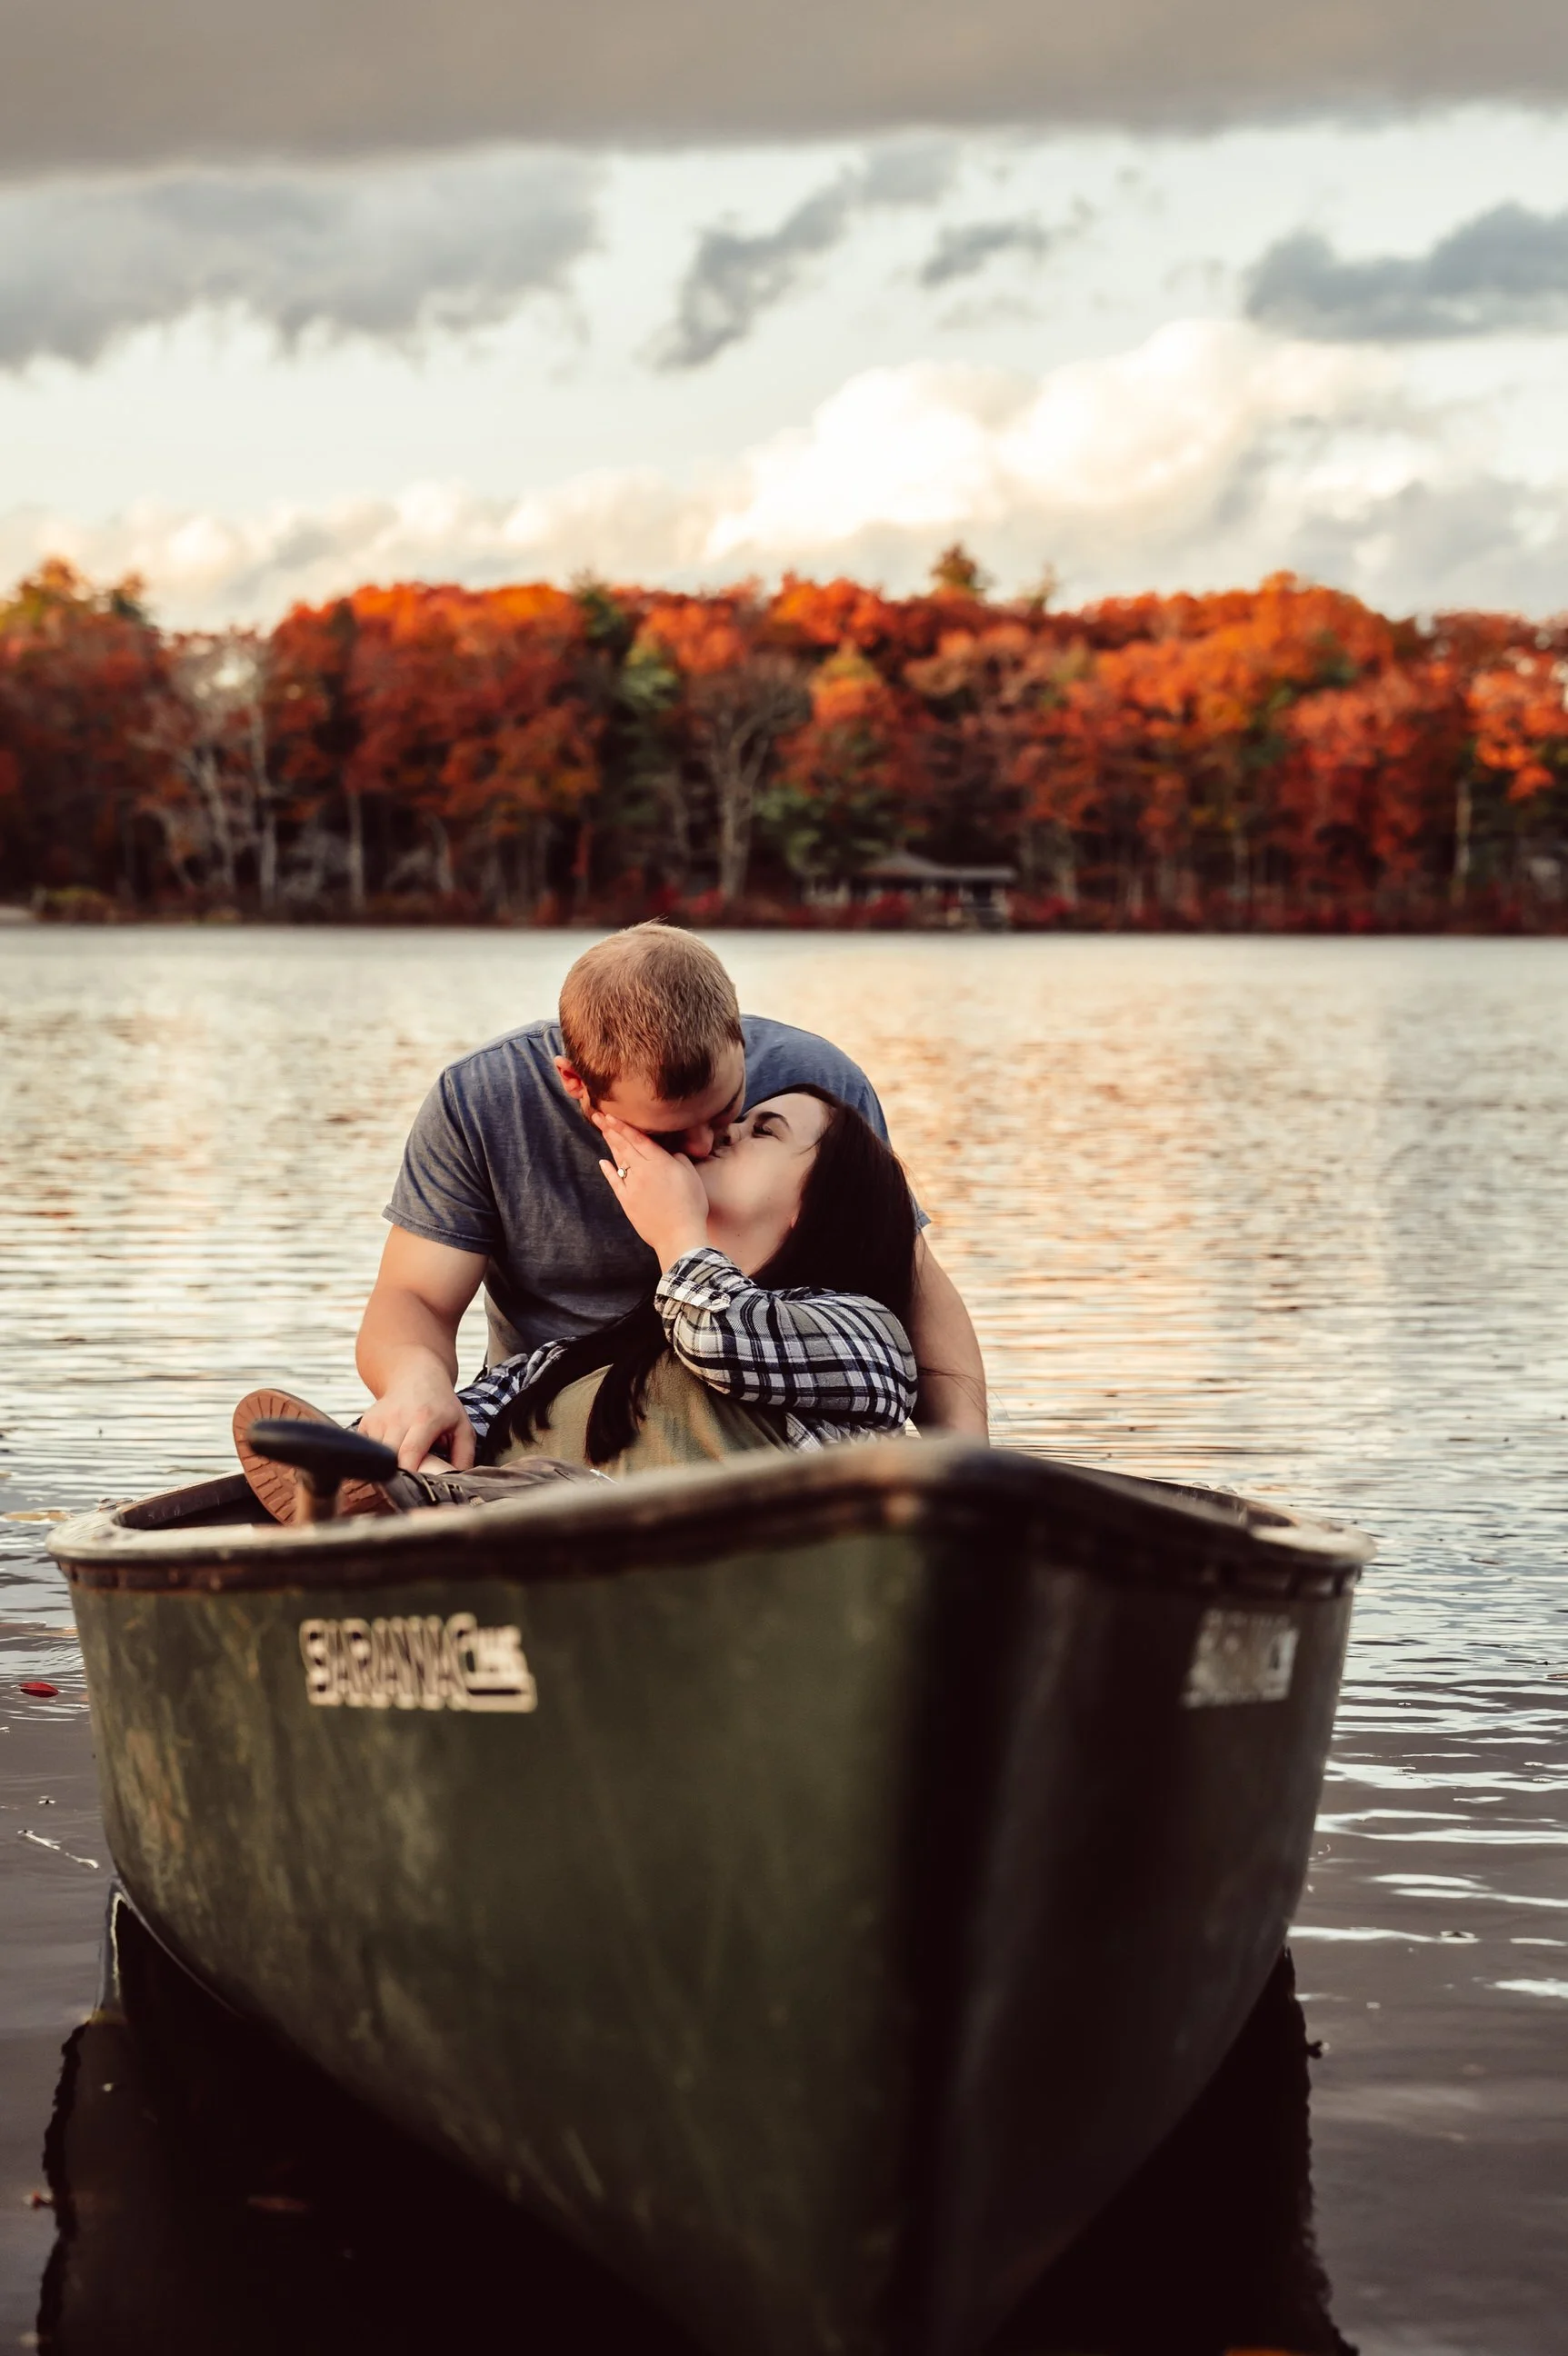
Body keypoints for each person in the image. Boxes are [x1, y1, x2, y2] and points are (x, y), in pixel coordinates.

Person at [355, 923, 986, 1472]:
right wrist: (416, 1393)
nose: (705, 1144)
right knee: (467, 1446)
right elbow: (413, 1297)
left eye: (727, 1112)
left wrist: (969, 1480)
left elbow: (903, 1272)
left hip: (745, 1443)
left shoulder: (810, 1096)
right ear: (575, 1083)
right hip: (565, 1427)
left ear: (736, 1037)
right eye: (665, 1135)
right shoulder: (482, 1100)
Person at [232, 1084, 918, 1513]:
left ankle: (436, 1507)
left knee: (552, 1498)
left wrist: (676, 1230)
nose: (723, 1133)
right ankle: (410, 1502)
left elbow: (722, 1338)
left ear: (823, 1204)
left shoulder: (863, 1335)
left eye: (764, 1130)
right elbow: (449, 1420)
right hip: (538, 1603)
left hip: (729, 1591)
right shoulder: (573, 1359)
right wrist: (408, 1431)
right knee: (406, 1454)